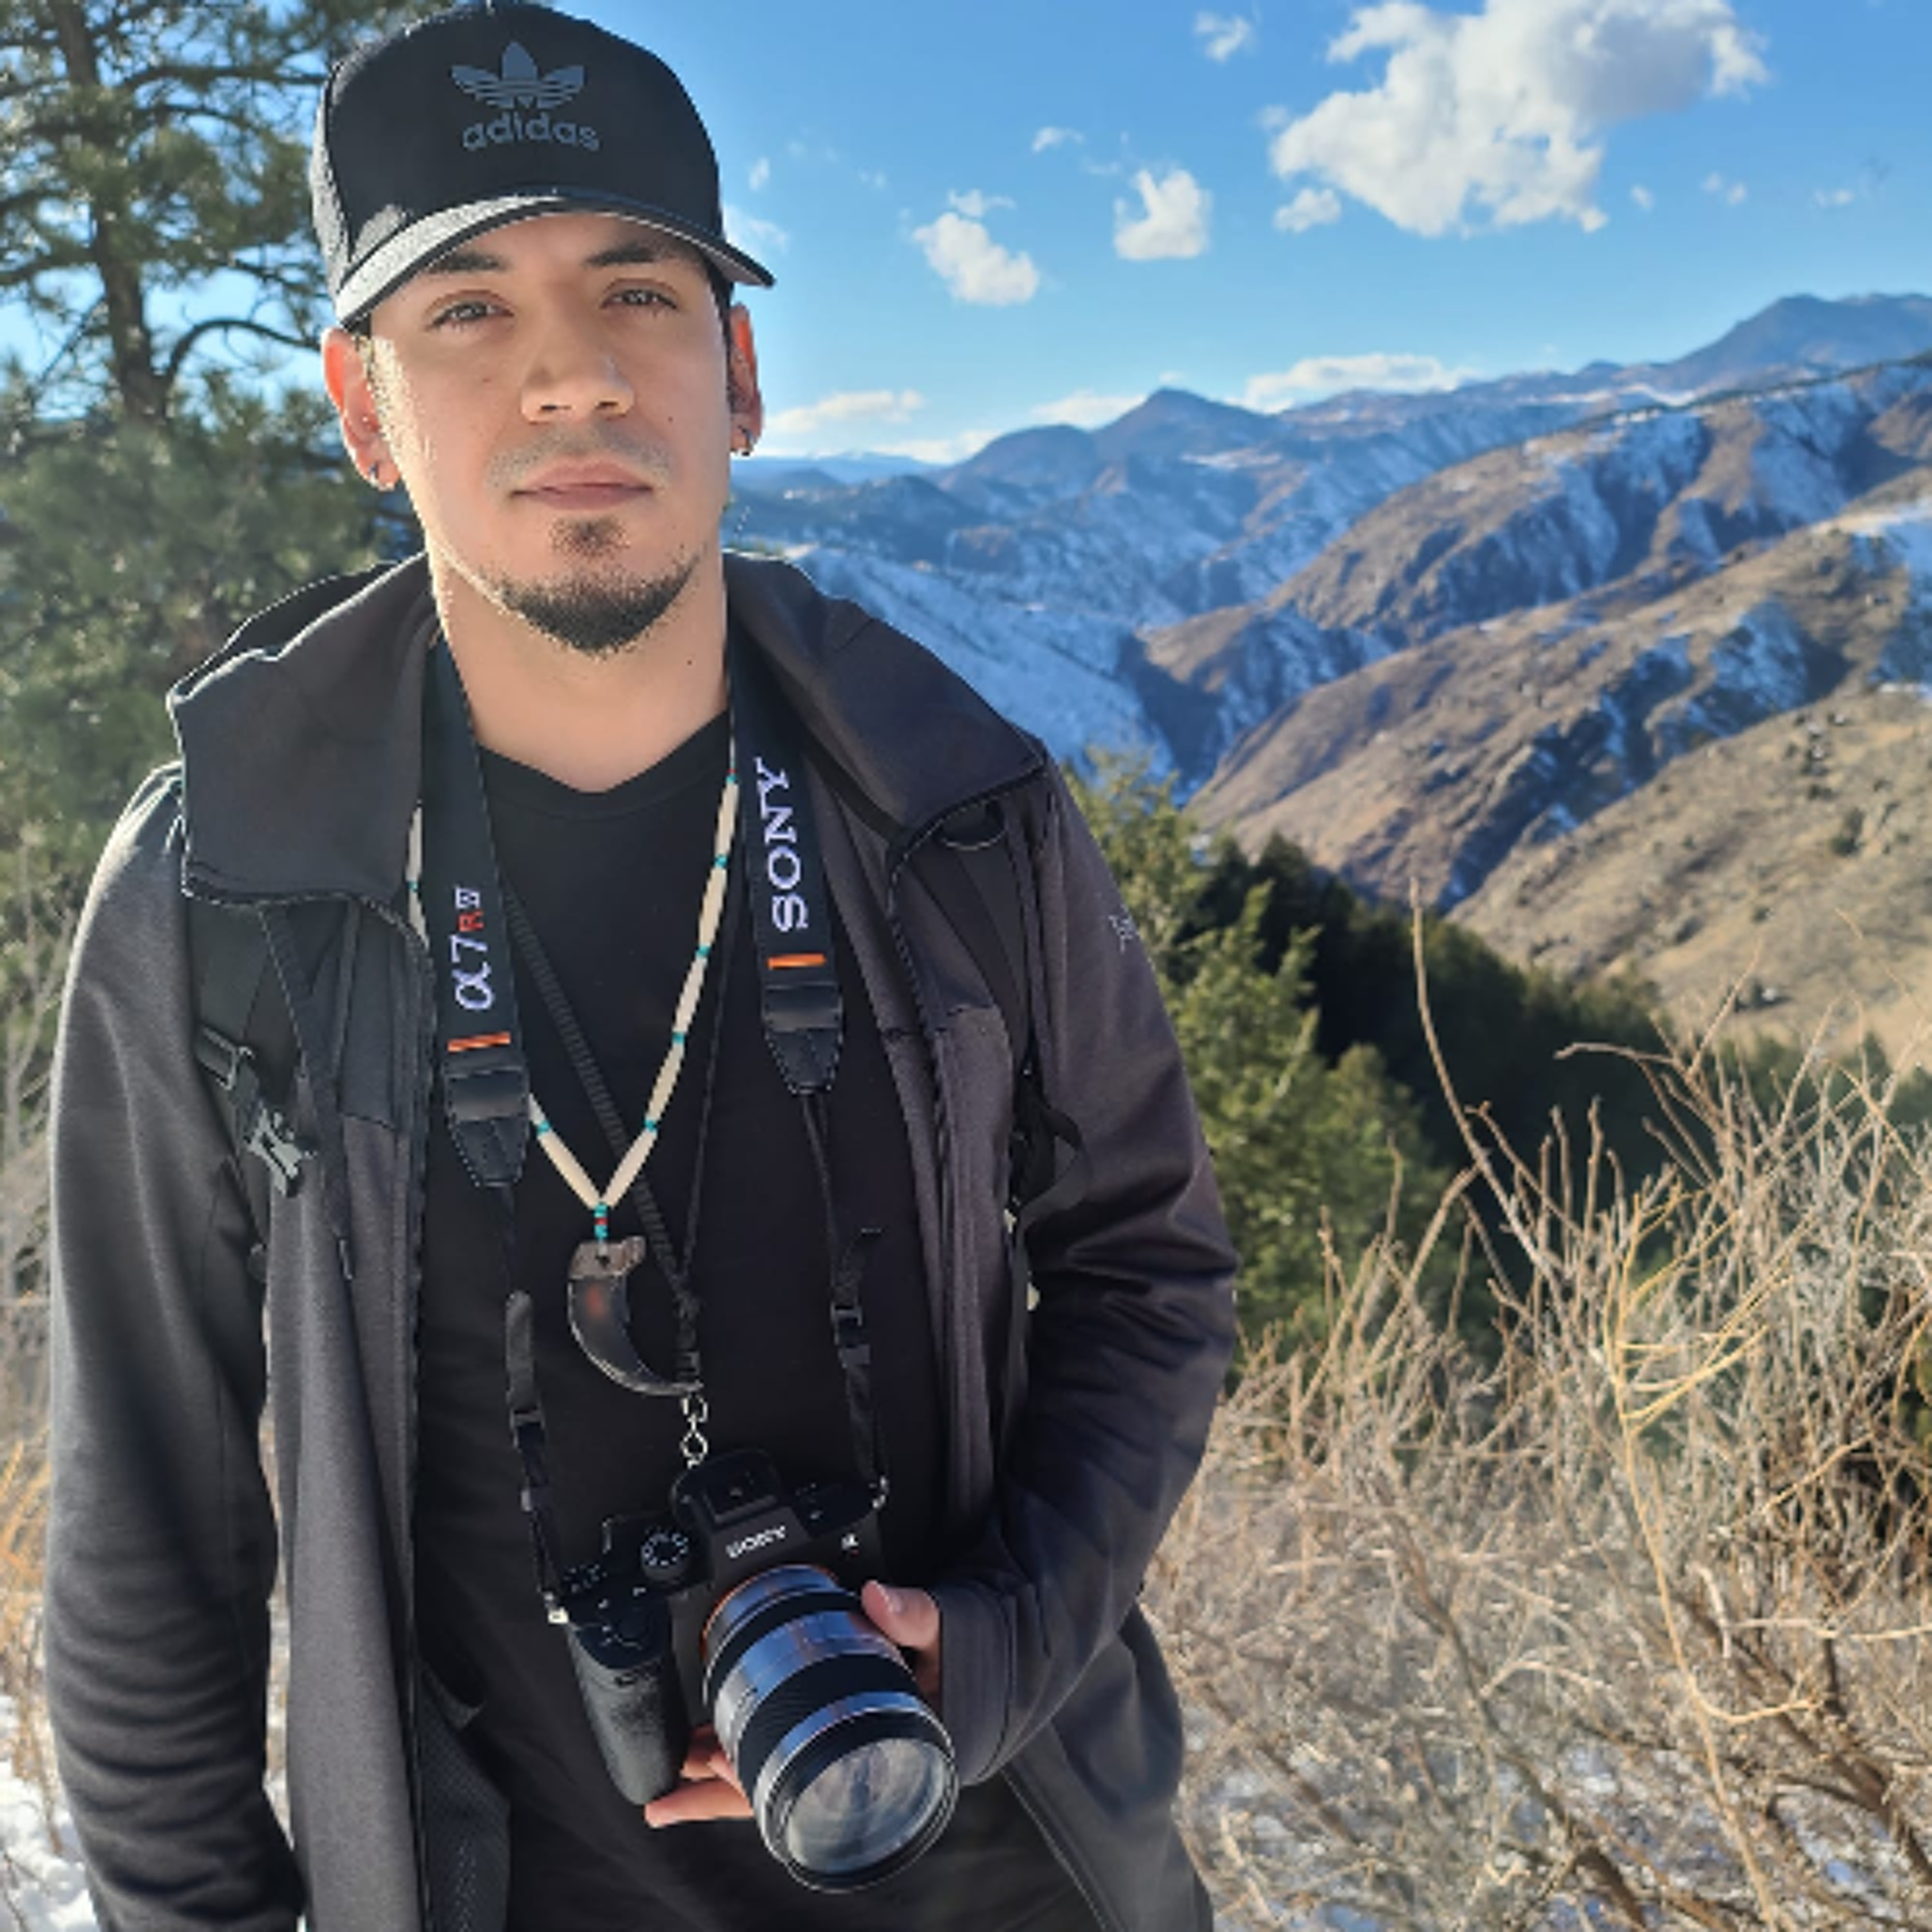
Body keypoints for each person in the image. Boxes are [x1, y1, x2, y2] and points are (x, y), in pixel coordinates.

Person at [44, 6, 1238, 1929]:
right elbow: (146, 1539)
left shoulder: (954, 815)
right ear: (364, 407)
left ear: (737, 372)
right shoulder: (231, 894)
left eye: (639, 294)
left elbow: (1148, 1270)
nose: (575, 377)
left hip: (1014, 1874)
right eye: (468, 311)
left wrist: (1012, 1636)